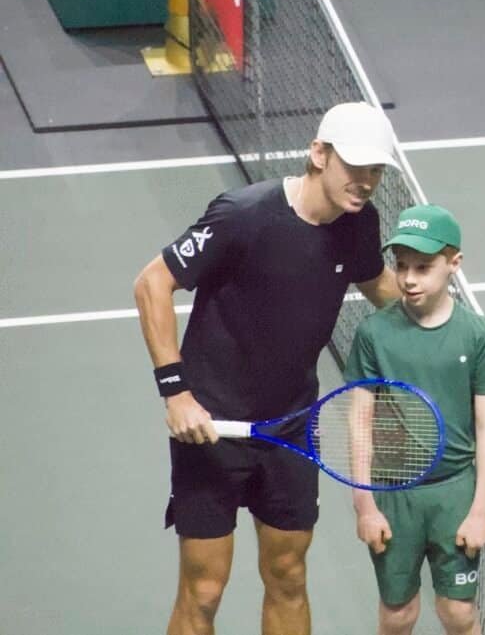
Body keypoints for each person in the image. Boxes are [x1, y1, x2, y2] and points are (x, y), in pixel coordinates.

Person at [133, 101, 403, 635]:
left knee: (287, 573)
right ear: (319, 154)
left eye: (376, 170)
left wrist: (453, 330)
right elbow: (151, 283)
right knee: (204, 589)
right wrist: (177, 394)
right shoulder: (242, 215)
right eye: (356, 167)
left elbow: (382, 289)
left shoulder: (358, 225)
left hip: (292, 426)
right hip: (211, 427)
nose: (367, 181)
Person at [344, 204, 485, 635]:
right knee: (398, 616)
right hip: (393, 493)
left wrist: (481, 510)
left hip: (454, 492)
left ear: (453, 265)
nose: (410, 278)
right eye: (401, 266)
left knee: (458, 614)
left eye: (423, 266)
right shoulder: (373, 334)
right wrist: (364, 505)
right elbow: (360, 421)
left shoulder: (478, 334)